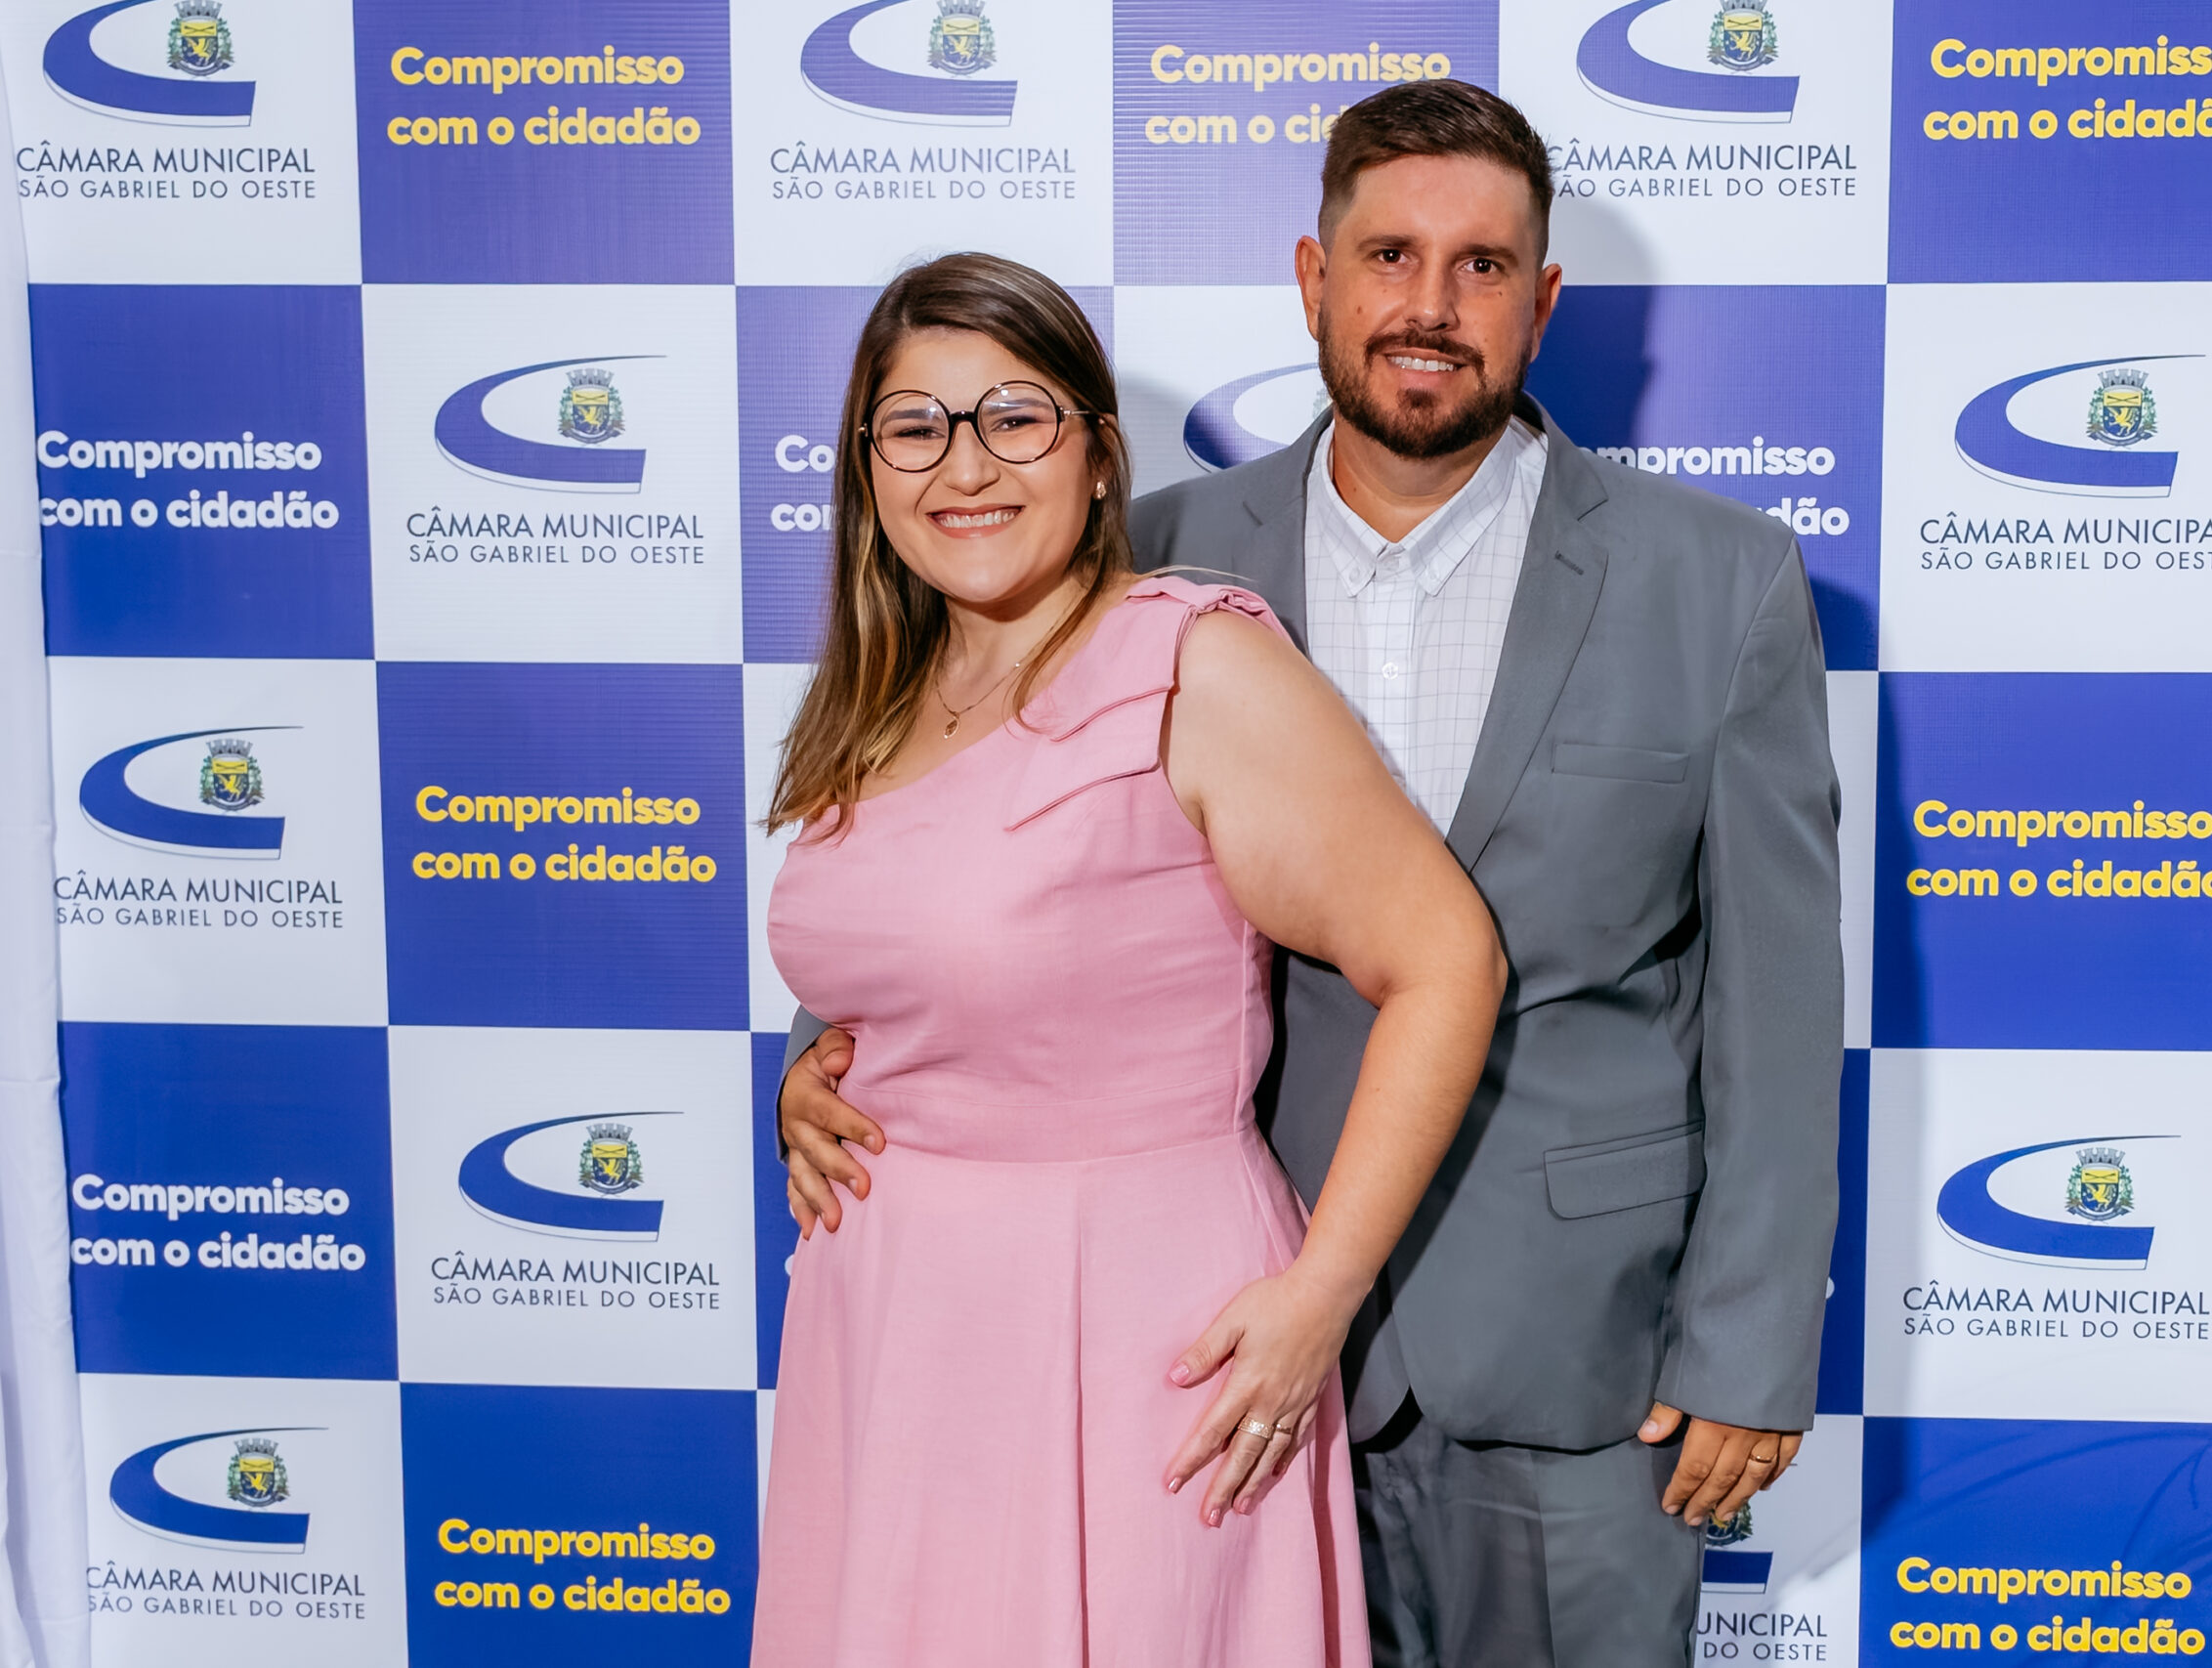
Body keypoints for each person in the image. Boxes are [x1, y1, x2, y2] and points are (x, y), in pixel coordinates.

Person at [781, 82, 1844, 1668]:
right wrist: (834, 1061)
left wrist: (1749, 1349)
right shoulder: (1139, 559)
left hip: (1572, 1355)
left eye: (1483, 266)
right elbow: (1007, 874)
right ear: (1313, 278)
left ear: (1546, 299)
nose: (1430, 305)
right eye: (1389, 255)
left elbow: (1778, 1002)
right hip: (1206, 1340)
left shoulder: (1716, 579)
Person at [748, 251, 1504, 1668]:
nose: (965, 466)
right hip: (892, 1324)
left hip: (1135, 1328)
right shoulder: (884, 694)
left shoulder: (1193, 665)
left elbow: (1446, 961)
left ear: (1099, 456)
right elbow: (925, 964)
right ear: (866, 471)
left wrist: (1320, 1296)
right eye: (915, 428)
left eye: (1014, 417)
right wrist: (820, 1073)